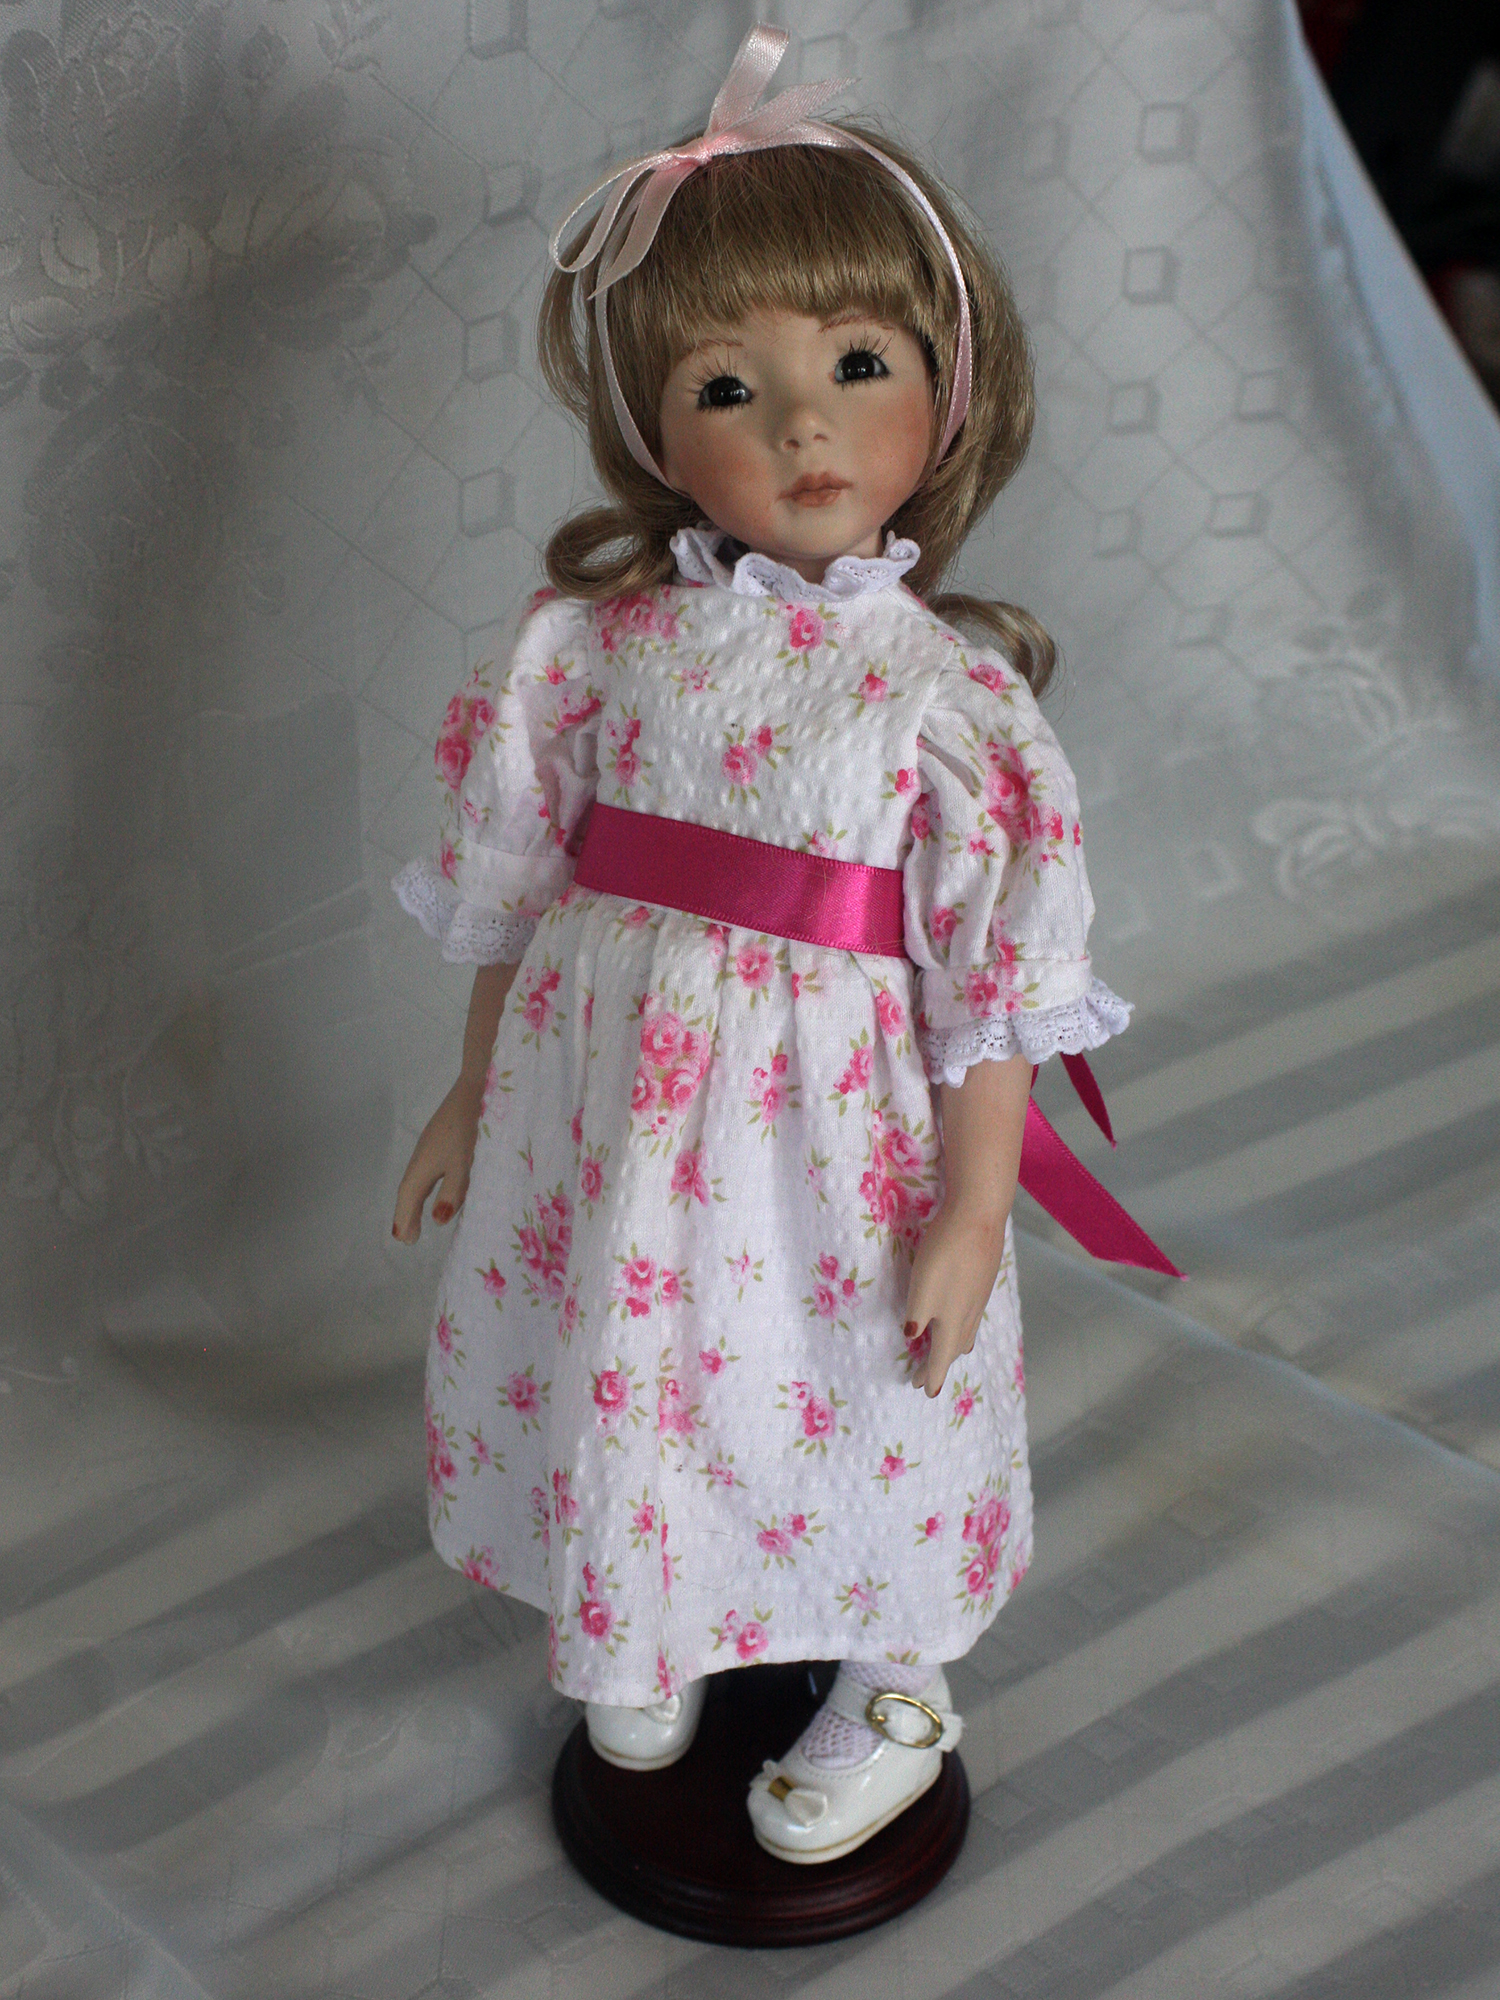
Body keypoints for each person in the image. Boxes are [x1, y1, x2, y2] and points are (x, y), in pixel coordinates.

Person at [390, 27, 1130, 1865]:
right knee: (641, 1351)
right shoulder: (591, 646)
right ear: (658, 434)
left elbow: (991, 984)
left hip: (832, 1128)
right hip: (613, 1108)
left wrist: (974, 1207)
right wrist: (476, 1092)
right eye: (730, 384)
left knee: (849, 1376)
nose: (803, 424)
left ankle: (894, 1674)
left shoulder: (941, 697)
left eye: (857, 364)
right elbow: (522, 881)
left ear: (948, 388)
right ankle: (653, 1599)